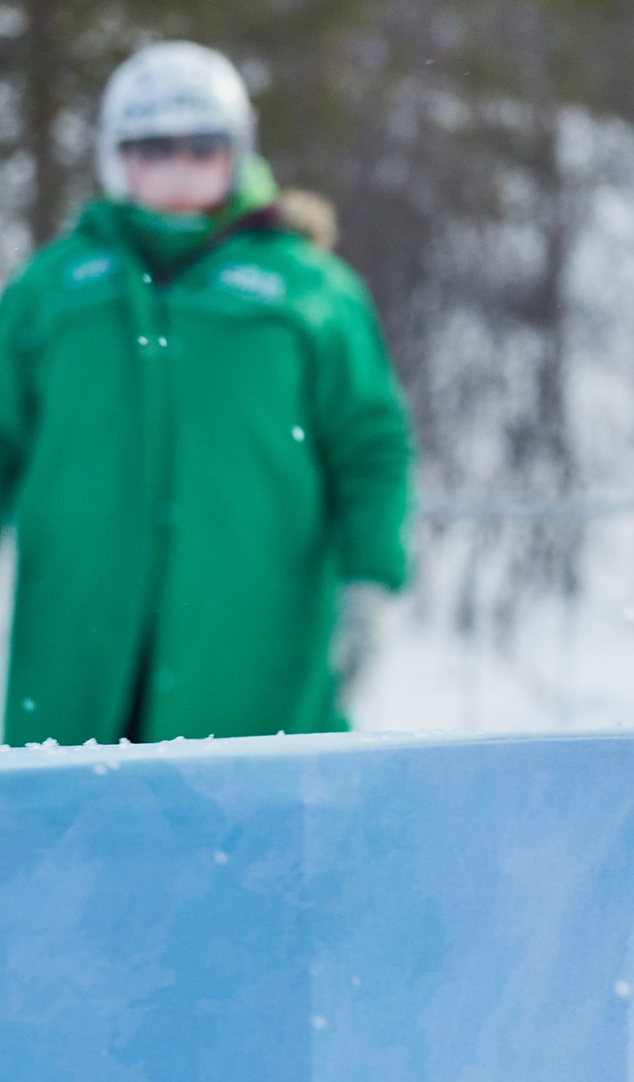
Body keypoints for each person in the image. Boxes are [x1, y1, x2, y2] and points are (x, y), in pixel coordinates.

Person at [0, 41, 410, 748]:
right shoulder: (52, 288)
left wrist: (370, 581)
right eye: (155, 148)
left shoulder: (310, 288)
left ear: (236, 150)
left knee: (246, 807)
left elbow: (371, 447)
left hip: (252, 635)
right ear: (117, 155)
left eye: (201, 147)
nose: (179, 167)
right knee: (74, 813)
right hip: (77, 641)